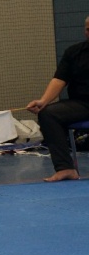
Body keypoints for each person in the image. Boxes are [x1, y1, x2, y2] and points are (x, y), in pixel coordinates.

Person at [26, 16, 89, 182]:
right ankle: (66, 168)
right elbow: (59, 80)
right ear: (85, 31)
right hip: (82, 104)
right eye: (88, 29)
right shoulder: (73, 52)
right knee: (48, 113)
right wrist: (43, 101)